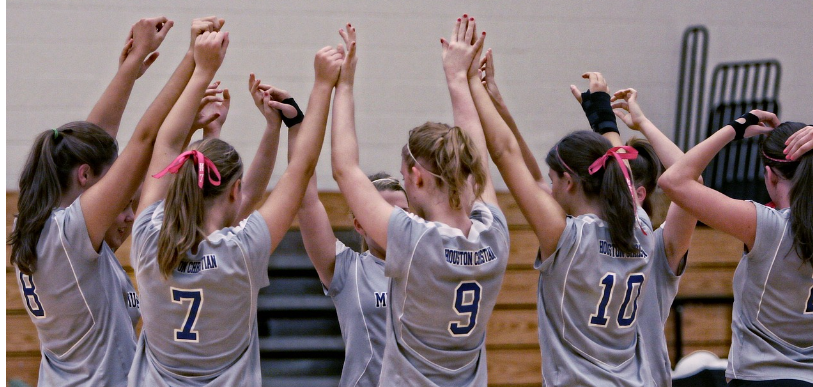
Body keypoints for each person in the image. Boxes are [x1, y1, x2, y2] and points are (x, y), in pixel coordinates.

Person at [7, 16, 227, 386]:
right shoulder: (68, 234)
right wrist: (194, 60)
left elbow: (93, 138)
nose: (122, 197)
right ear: (85, 176)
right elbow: (143, 141)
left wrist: (131, 65)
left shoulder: (37, 221)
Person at [128, 28, 342, 385]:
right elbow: (301, 168)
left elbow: (164, 143)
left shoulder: (148, 238)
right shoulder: (240, 251)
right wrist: (318, 90)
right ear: (234, 191)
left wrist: (202, 70)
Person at [330, 17, 509, 385]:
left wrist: (344, 85)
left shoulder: (414, 240)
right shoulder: (496, 233)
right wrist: (461, 78)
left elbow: (345, 170)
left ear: (416, 176)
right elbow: (480, 159)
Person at [659, 111, 813, 386]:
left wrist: (735, 128)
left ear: (770, 176)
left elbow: (674, 180)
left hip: (759, 378)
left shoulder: (767, 225)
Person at [609, 88, 699, 387]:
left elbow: (691, 181)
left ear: (639, 194)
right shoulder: (581, 239)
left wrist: (643, 123)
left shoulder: (660, 248)